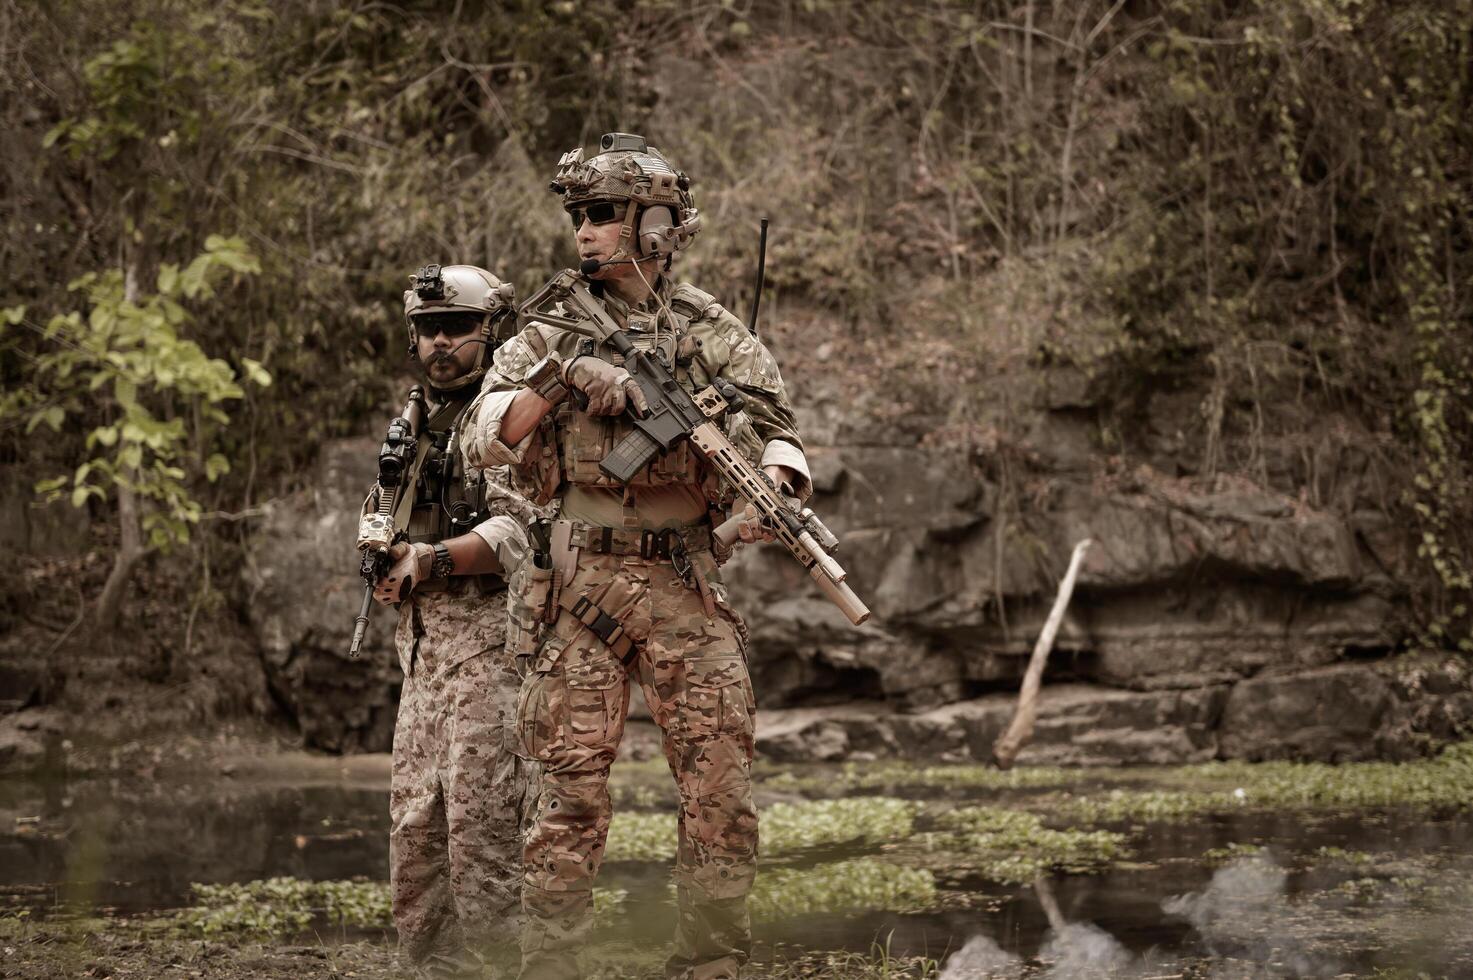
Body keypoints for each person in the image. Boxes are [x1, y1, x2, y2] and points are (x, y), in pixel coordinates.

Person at [460, 133, 810, 980]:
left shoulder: (708, 327)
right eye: (578, 215)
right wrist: (566, 374)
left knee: (720, 788)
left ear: (657, 224)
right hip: (580, 580)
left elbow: (778, 428)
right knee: (568, 795)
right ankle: (552, 965)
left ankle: (712, 961)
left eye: (605, 215)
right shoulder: (543, 326)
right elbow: (486, 439)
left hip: (685, 578)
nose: (585, 231)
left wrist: (776, 485)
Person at [368, 264, 539, 979]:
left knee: (484, 837)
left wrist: (433, 559)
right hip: (422, 653)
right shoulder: (409, 422)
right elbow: (383, 505)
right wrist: (377, 544)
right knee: (414, 833)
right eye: (428, 330)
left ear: (489, 332)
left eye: (456, 329)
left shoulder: (510, 419)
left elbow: (525, 527)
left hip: (496, 651)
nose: (440, 344)